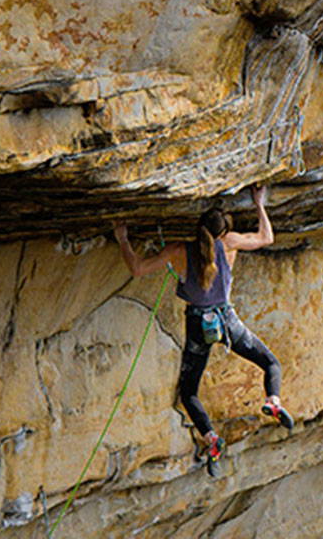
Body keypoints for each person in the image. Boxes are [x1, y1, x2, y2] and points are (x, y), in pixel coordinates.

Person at [113, 185, 291, 463]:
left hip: (198, 325)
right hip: (227, 320)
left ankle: (211, 437)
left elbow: (137, 269)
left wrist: (123, 239)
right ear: (222, 232)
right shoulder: (229, 243)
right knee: (270, 363)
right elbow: (266, 237)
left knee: (189, 392)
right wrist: (259, 203)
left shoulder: (178, 250)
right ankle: (273, 401)